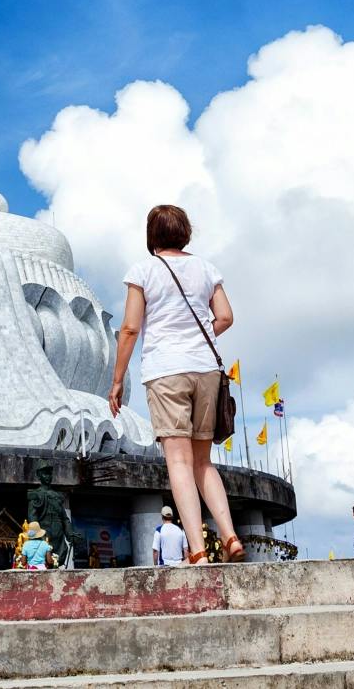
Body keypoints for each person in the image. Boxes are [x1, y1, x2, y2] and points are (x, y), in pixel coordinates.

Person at [108, 204, 244, 565]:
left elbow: (130, 328)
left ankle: (198, 549)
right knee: (204, 461)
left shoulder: (144, 270)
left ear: (151, 236)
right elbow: (226, 317)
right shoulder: (205, 267)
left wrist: (118, 380)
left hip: (166, 370)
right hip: (206, 370)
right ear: (185, 232)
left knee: (179, 463)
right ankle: (229, 535)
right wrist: (199, 341)